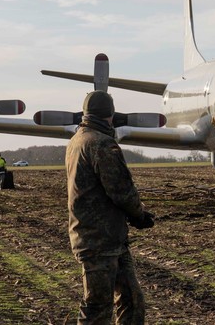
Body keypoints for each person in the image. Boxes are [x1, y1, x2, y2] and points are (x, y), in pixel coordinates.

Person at [66, 91, 154, 324]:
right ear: (110, 114)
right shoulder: (101, 144)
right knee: (97, 308)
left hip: (107, 239)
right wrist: (139, 215)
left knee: (132, 300)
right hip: (99, 241)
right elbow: (121, 190)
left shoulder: (78, 139)